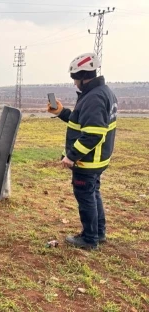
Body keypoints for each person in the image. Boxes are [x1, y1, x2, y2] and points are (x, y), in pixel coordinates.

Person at [47, 53, 117, 250]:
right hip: (98, 159)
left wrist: (71, 156)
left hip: (88, 160)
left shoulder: (94, 98)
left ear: (84, 75)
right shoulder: (102, 92)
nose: (74, 83)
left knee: (86, 197)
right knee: (93, 194)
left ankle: (89, 238)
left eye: (74, 78)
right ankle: (98, 233)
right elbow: (82, 123)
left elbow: (92, 134)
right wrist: (61, 112)